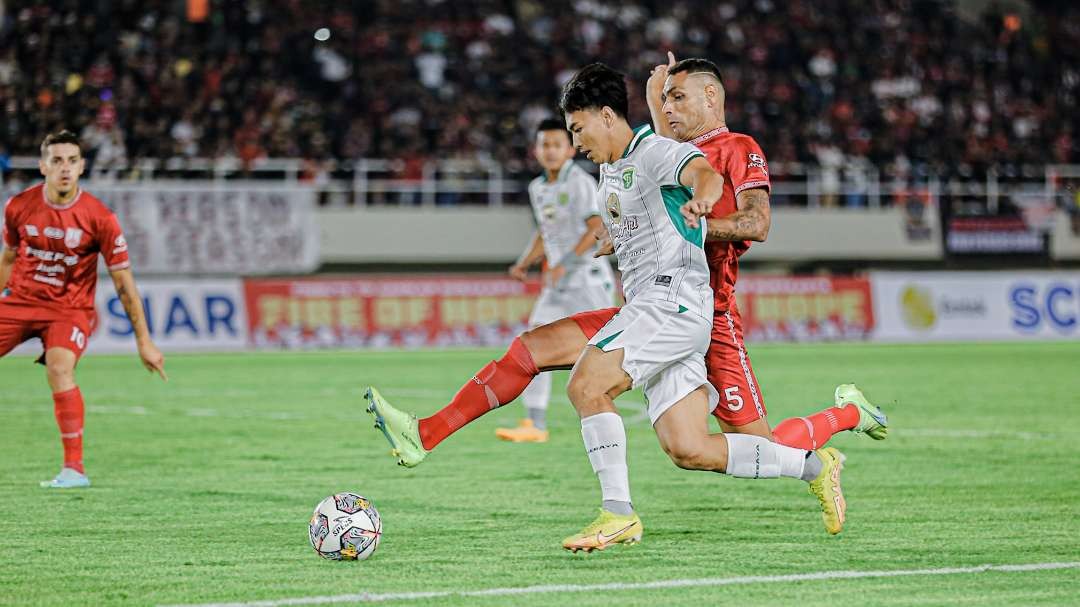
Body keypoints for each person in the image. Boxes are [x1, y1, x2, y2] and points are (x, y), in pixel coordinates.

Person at [0, 130, 167, 488]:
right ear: (43, 166)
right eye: (57, 160)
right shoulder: (18, 206)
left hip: (69, 309)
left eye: (72, 161)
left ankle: (73, 470)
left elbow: (123, 283)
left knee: (60, 368)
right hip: (21, 301)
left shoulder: (100, 218)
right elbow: (8, 260)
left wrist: (145, 341)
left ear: (82, 166)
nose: (65, 168)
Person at [496, 118, 615, 443]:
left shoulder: (579, 182)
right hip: (559, 283)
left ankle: (676, 393)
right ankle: (534, 423)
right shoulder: (538, 188)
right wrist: (524, 262)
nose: (549, 151)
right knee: (532, 341)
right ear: (536, 150)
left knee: (615, 347)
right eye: (544, 145)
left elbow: (595, 227)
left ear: (570, 149)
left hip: (588, 279)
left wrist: (566, 262)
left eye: (556, 145)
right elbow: (545, 233)